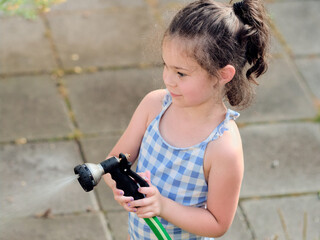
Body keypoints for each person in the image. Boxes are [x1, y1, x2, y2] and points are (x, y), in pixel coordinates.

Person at [104, 0, 270, 239]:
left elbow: (218, 223)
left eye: (181, 73)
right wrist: (119, 186)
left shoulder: (223, 146)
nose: (169, 80)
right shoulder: (154, 106)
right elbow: (113, 163)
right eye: (166, 66)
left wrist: (162, 206)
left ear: (222, 74)